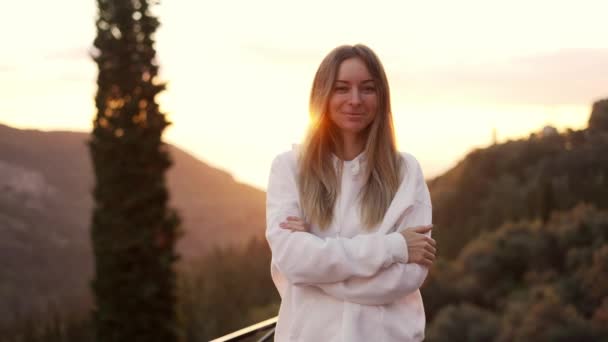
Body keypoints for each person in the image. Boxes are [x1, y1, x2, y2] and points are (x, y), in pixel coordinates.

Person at [265, 44, 437, 342]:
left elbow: (406, 277)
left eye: (367, 88)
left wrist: (316, 265)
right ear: (323, 95)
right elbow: (293, 260)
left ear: (381, 97)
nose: (355, 100)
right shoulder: (289, 168)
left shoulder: (406, 171)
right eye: (341, 88)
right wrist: (393, 247)